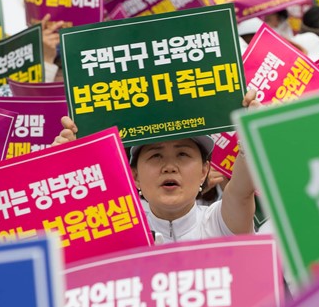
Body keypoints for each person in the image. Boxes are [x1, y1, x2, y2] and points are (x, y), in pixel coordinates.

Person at [53, 90, 261, 243]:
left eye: (183, 154)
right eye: (155, 156)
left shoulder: (219, 222)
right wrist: (61, 163)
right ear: (135, 176)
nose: (169, 166)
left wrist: (254, 129)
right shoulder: (119, 232)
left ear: (204, 171)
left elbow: (241, 192)